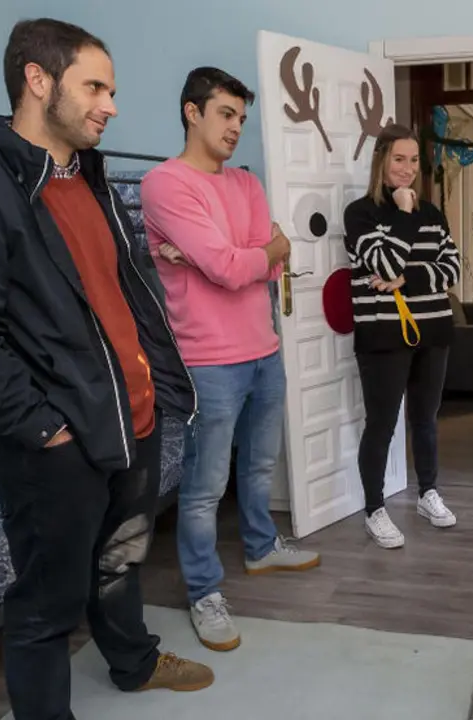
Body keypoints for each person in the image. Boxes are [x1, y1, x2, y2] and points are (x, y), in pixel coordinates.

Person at [0, 18, 212, 719]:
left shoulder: (93, 182)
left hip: (132, 422)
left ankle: (134, 662)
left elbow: (124, 294)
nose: (111, 106)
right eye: (95, 88)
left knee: (119, 564)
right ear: (38, 80)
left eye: (111, 90)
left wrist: (156, 389)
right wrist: (45, 428)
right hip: (57, 445)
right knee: (47, 606)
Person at [140, 67, 320, 653]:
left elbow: (266, 264)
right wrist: (245, 254)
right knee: (204, 487)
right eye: (225, 113)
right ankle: (203, 592)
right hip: (209, 360)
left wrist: (240, 255)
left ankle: (262, 547)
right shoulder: (165, 184)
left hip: (264, 348)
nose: (236, 127)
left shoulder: (246, 183)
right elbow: (229, 266)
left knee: (260, 467)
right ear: (192, 112)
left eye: (241, 117)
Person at [342, 124, 461, 549]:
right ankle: (374, 509)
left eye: (413, 160)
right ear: (381, 161)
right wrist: (404, 214)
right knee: (381, 424)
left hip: (433, 330)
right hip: (382, 336)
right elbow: (384, 262)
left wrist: (406, 278)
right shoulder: (360, 214)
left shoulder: (433, 213)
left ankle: (428, 492)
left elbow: (452, 269)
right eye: (399, 159)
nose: (408, 168)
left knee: (426, 419)